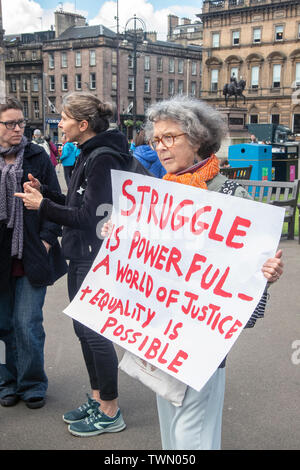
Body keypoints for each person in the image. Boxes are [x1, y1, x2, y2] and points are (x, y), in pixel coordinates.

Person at [140, 95, 283, 450]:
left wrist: (266, 272)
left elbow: (250, 266)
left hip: (204, 332)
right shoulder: (158, 195)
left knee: (194, 432)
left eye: (170, 137)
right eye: (157, 139)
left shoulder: (231, 194)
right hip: (161, 327)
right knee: (170, 422)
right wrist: (121, 238)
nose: (161, 147)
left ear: (197, 139)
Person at [15, 91, 130, 437]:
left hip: (92, 255)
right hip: (80, 253)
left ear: (82, 124)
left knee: (94, 332)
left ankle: (110, 409)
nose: (59, 124)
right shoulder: (88, 153)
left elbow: (89, 216)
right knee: (83, 330)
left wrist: (42, 206)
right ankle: (98, 398)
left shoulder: (103, 157)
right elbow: (76, 200)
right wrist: (47, 194)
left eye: (64, 118)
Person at [0, 98, 67, 409]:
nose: (17, 128)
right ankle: (10, 380)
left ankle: (33, 383)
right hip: (2, 255)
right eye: (10, 123)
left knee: (27, 323)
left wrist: (47, 240)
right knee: (6, 324)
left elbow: (56, 200)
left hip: (31, 252)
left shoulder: (38, 155)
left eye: (21, 123)